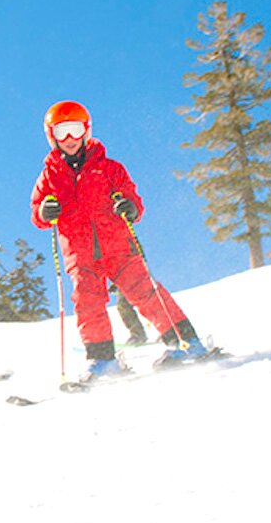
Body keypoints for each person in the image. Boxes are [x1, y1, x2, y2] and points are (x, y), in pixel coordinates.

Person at [29, 100, 209, 380]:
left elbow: (133, 198)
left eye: (75, 130)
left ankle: (185, 342)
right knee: (88, 303)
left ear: (86, 131)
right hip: (80, 253)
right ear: (51, 136)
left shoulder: (109, 168)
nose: (69, 139)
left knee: (144, 291)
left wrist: (130, 207)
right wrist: (44, 211)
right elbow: (37, 214)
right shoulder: (49, 177)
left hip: (117, 245)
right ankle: (102, 360)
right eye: (62, 131)